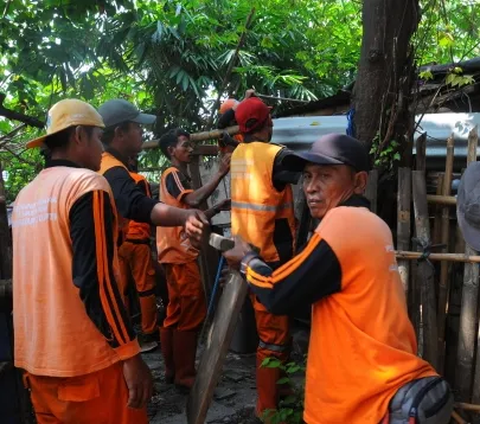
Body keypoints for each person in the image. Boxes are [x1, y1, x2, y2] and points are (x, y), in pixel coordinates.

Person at [224, 133, 454, 424]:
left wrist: (247, 260)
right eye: (307, 177)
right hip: (387, 389)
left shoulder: (343, 221)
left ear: (359, 182)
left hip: (357, 403)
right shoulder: (375, 225)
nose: (310, 188)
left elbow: (278, 293)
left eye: (325, 176)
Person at [11, 99, 152, 424]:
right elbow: (96, 282)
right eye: (98, 138)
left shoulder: (25, 197)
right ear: (78, 136)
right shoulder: (86, 186)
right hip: (89, 368)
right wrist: (130, 355)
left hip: (38, 366)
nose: (102, 149)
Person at [97, 99, 208, 310]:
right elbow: (135, 203)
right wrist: (184, 216)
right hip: (140, 252)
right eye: (137, 127)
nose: (142, 132)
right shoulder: (111, 169)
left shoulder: (107, 165)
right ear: (120, 133)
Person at [230, 96, 300, 421]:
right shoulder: (277, 156)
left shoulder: (238, 154)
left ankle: (280, 388)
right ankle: (267, 407)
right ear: (264, 124)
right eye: (269, 119)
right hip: (270, 260)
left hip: (245, 253)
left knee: (278, 329)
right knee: (272, 337)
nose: (274, 124)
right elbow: (308, 167)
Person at [157, 128, 231, 390]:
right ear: (171, 152)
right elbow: (194, 198)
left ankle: (171, 369)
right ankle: (185, 373)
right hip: (179, 253)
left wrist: (216, 209)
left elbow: (189, 211)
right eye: (185, 146)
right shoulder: (173, 174)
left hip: (172, 252)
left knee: (175, 314)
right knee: (191, 312)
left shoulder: (176, 177)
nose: (190, 150)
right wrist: (220, 172)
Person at [118, 155, 160, 352]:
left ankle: (123, 332)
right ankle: (149, 331)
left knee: (121, 288)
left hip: (119, 243)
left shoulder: (109, 180)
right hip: (137, 240)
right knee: (145, 289)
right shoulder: (138, 180)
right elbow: (147, 209)